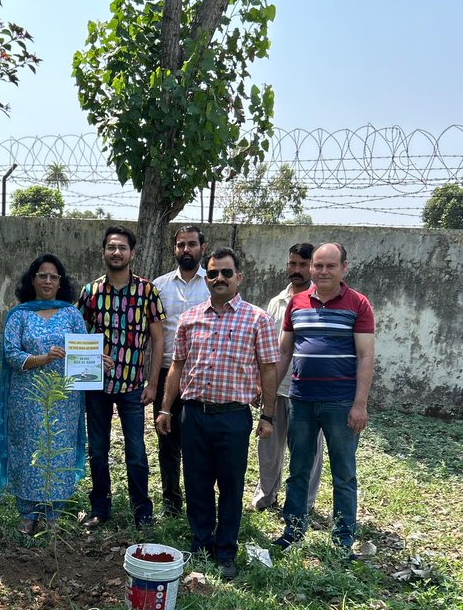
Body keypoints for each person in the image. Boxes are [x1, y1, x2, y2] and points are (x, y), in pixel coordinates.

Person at [156, 247, 279, 581]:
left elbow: (269, 369)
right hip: (194, 415)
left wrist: (268, 416)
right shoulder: (190, 318)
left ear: (239, 277)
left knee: (230, 486)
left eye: (226, 272)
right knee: (196, 483)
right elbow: (177, 366)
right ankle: (200, 544)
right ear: (206, 278)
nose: (219, 278)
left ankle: (225, 551)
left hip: (233, 418)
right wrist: (166, 407)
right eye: (213, 273)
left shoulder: (258, 319)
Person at [274, 242, 376, 558]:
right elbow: (284, 352)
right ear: (311, 268)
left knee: (344, 473)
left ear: (344, 268)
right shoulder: (296, 303)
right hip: (301, 401)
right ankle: (293, 531)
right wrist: (268, 393)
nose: (323, 271)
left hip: (341, 404)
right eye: (318, 265)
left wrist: (360, 404)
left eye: (330, 266)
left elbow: (366, 356)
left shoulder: (358, 304)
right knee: (298, 469)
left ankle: (343, 539)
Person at [78, 224, 165, 528]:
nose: (116, 252)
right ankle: (100, 508)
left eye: (122, 248)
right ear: (103, 251)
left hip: (133, 386)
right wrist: (88, 361)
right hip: (96, 385)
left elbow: (158, 339)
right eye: (111, 247)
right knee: (98, 450)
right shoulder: (90, 292)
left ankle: (142, 511)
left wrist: (153, 383)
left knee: (137, 452)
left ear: (132, 253)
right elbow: (77, 336)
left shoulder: (147, 291)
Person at [0, 254, 87, 533]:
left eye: (53, 277)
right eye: (42, 276)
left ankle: (53, 513)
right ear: (32, 280)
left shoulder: (72, 315)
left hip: (64, 398)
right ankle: (28, 512)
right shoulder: (19, 315)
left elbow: (84, 352)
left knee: (59, 448)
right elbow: (11, 353)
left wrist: (98, 361)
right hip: (27, 398)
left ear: (60, 283)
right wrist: (42, 359)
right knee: (28, 450)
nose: (48, 281)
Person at [252, 243, 324, 513]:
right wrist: (260, 382)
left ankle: (304, 502)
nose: (297, 269)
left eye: (303, 264)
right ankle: (266, 495)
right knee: (268, 447)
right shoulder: (277, 302)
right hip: (276, 388)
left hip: (308, 391)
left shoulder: (322, 301)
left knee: (307, 450)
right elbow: (265, 347)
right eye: (292, 263)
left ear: (312, 267)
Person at [153, 225, 208, 517]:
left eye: (192, 244)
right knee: (167, 440)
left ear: (203, 248)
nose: (186, 249)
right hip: (167, 374)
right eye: (181, 245)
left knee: (199, 443)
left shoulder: (213, 284)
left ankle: (199, 502)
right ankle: (171, 501)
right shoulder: (159, 286)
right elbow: (152, 335)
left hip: (202, 376)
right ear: (174, 249)